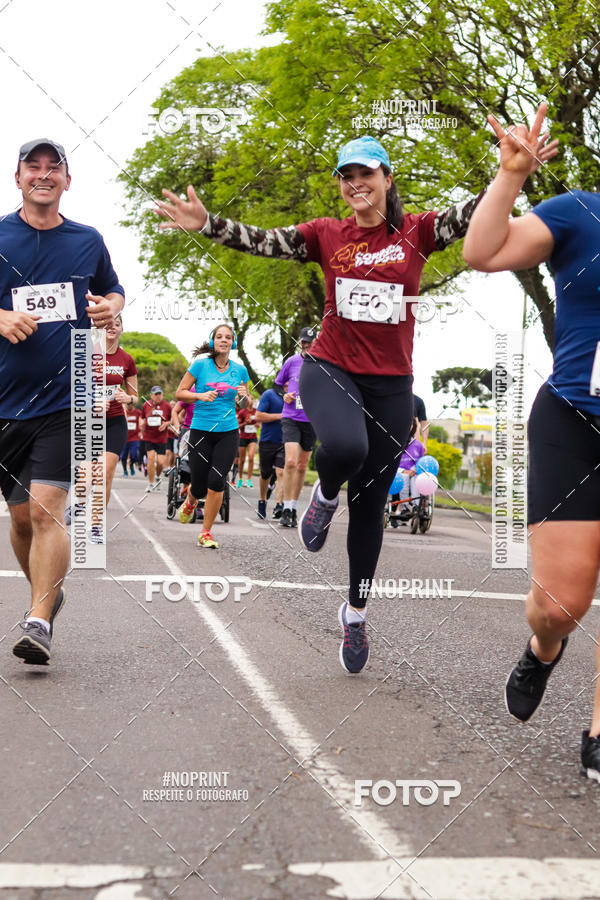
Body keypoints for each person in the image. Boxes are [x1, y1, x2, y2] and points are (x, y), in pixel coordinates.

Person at [156, 132, 553, 673]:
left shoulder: (418, 230)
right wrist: (207, 224)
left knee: (369, 510)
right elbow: (263, 240)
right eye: (346, 176)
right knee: (343, 445)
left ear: (388, 179)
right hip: (330, 367)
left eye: (366, 174)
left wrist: (511, 173)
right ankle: (322, 495)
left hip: (391, 384)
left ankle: (356, 611)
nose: (355, 184)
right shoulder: (326, 235)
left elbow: (478, 213)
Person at [463, 102, 600, 779]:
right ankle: (543, 649)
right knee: (560, 604)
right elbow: (481, 252)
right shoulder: (579, 213)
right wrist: (510, 177)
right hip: (574, 420)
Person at [0, 138, 124, 664]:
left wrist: (109, 310)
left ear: (67, 182)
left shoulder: (87, 240)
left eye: (56, 168)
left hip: (64, 398)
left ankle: (37, 620)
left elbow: (115, 291)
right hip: (5, 405)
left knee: (49, 512)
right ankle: (49, 594)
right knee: (22, 518)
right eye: (35, 167)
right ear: (19, 177)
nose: (45, 175)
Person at [175, 324, 250, 548]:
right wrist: (200, 395)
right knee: (198, 485)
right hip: (200, 430)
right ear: (213, 341)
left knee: (217, 481)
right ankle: (190, 500)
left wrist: (245, 397)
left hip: (228, 431)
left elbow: (245, 404)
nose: (224, 340)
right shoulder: (200, 366)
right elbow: (180, 393)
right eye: (219, 337)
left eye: (228, 337)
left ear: (233, 343)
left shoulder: (240, 370)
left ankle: (205, 532)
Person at [66, 313, 137, 541]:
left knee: (105, 473)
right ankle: (78, 503)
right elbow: (71, 392)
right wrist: (92, 400)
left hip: (115, 423)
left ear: (121, 329)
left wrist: (128, 399)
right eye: (108, 324)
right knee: (87, 475)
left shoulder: (127, 360)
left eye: (117, 324)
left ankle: (95, 526)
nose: (112, 327)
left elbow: (135, 398)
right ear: (101, 328)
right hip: (89, 422)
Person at [274, 327, 317, 528]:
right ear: (299, 342)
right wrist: (285, 395)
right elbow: (277, 384)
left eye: (310, 342)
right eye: (304, 342)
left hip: (312, 420)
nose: (306, 345)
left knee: (301, 465)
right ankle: (285, 509)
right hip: (290, 417)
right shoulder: (292, 362)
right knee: (290, 461)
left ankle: (292, 506)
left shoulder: (323, 364)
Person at [255, 385, 285, 520]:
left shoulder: (296, 397)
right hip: (268, 441)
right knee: (265, 474)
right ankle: (262, 500)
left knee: (281, 473)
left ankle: (279, 505)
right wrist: (280, 416)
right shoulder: (269, 394)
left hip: (286, 442)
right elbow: (258, 415)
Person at [140, 386, 171, 492]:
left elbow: (171, 419)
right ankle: (150, 483)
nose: (158, 396)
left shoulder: (166, 406)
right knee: (151, 459)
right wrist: (142, 424)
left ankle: (158, 477)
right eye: (156, 394)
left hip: (161, 438)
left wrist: (166, 423)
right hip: (149, 436)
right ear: (151, 395)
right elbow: (142, 418)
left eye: (160, 394)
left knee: (161, 462)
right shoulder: (146, 405)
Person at [236, 399, 258, 487]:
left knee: (251, 457)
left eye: (253, 399)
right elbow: (237, 425)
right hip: (243, 437)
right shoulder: (242, 412)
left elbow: (260, 422)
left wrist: (258, 424)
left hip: (253, 437)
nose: (252, 401)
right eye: (250, 399)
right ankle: (240, 479)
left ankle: (249, 480)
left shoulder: (256, 411)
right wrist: (245, 423)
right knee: (242, 460)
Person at [121, 403, 142, 476]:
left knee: (134, 454)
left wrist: (141, 431)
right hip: (124, 437)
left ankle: (131, 465)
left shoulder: (138, 412)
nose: (129, 406)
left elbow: (141, 422)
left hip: (134, 437)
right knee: (123, 456)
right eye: (127, 404)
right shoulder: (122, 412)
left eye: (130, 404)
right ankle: (125, 471)